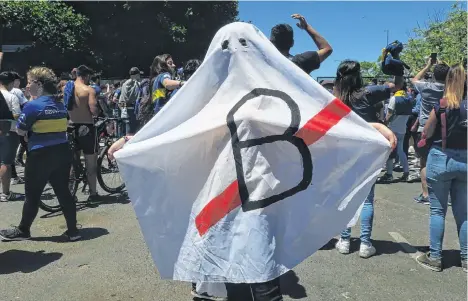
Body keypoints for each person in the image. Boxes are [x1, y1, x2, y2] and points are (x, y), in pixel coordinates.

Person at [0, 67, 80, 241]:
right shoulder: (59, 105)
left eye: (30, 82)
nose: (27, 86)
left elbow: (20, 131)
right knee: (63, 192)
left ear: (39, 84)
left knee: (33, 195)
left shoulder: (32, 106)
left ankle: (23, 229)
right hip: (62, 152)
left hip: (40, 155)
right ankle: (73, 231)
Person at [333, 60, 400, 258]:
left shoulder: (335, 97)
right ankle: (365, 243)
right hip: (368, 153)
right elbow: (397, 86)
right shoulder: (369, 92)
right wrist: (395, 65)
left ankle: (344, 240)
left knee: (345, 197)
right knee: (367, 199)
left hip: (343, 153)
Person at [416, 63, 467, 272]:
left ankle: (435, 257)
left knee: (438, 211)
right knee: (464, 214)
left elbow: (426, 133)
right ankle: (466, 258)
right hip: (466, 161)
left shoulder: (442, 105)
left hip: (441, 159)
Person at [411, 59, 450, 205]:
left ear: (433, 74)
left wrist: (428, 65)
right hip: (445, 128)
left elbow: (415, 79)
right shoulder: (449, 88)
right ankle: (444, 193)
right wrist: (443, 66)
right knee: (444, 159)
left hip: (424, 128)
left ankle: (426, 194)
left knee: (424, 162)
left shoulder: (426, 87)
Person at [68, 65, 100, 203]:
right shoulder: (88, 90)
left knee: (72, 162)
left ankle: (70, 193)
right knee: (90, 162)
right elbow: (94, 111)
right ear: (86, 76)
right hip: (86, 127)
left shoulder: (66, 88)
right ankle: (93, 194)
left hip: (70, 126)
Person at [378, 81, 413, 183]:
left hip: (392, 129)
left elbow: (389, 114)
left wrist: (384, 123)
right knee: (401, 151)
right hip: (402, 129)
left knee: (390, 150)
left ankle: (389, 174)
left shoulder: (394, 99)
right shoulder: (409, 99)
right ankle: (406, 172)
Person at [0, 71, 22, 201]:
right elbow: (17, 116)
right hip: (8, 131)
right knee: (6, 163)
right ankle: (5, 193)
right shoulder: (11, 96)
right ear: (11, 83)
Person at [119, 67, 143, 135]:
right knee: (134, 133)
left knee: (128, 131)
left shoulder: (124, 84)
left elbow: (122, 99)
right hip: (134, 110)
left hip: (125, 110)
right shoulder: (137, 83)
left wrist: (123, 110)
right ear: (137, 74)